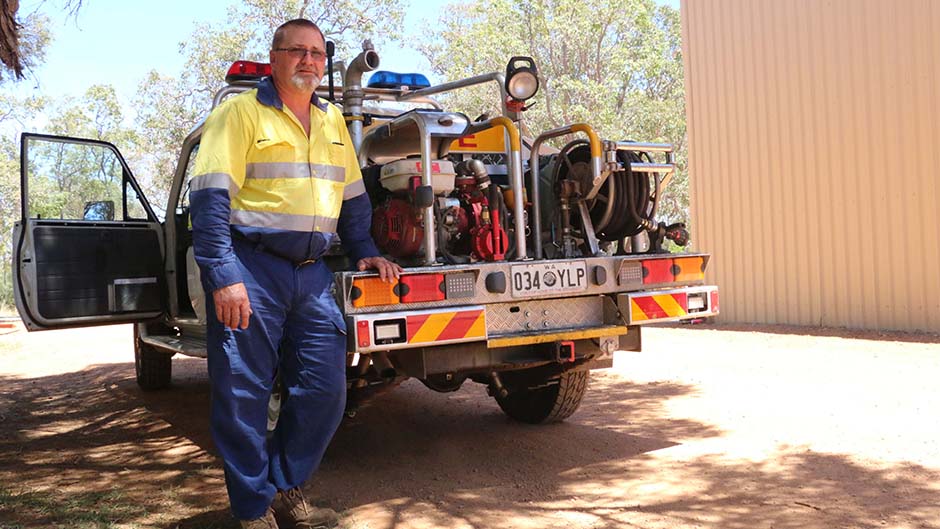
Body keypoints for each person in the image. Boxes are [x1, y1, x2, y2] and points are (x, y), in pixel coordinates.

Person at [189, 18, 402, 529]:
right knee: (243, 394)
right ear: (275, 57)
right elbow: (210, 200)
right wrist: (223, 275)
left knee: (325, 390)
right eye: (296, 51)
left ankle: (285, 487)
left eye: (316, 53)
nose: (308, 60)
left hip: (311, 273)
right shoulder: (238, 114)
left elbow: (352, 201)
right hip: (251, 267)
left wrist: (365, 250)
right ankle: (252, 509)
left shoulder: (331, 122)